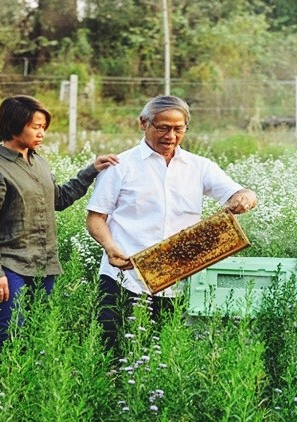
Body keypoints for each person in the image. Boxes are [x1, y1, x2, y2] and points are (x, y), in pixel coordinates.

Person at [86, 95, 257, 351]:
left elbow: (241, 192)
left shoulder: (199, 166)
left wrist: (245, 198)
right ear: (143, 124)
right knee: (113, 352)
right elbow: (96, 217)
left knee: (165, 355)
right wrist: (110, 247)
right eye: (163, 127)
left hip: (177, 279)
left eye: (179, 129)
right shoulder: (121, 166)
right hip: (124, 276)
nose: (171, 135)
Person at [0, 95, 119, 353]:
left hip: (43, 264)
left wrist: (91, 170)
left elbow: (58, 199)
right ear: (15, 125)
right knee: (9, 334)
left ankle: (28, 389)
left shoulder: (37, 161)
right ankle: (2, 388)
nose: (42, 133)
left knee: (36, 333)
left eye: (43, 128)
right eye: (36, 127)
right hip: (8, 264)